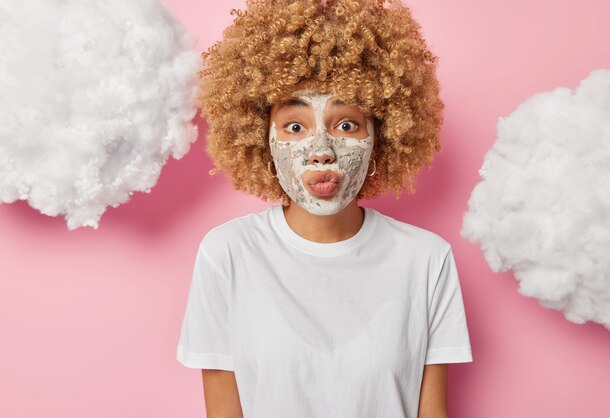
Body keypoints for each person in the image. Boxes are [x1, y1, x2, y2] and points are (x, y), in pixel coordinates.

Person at [176, 0, 473, 417]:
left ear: (381, 137)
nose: (321, 151)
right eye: (295, 127)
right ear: (260, 135)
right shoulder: (227, 254)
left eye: (346, 124)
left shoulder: (426, 260)